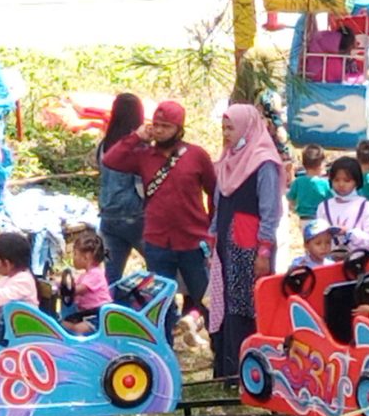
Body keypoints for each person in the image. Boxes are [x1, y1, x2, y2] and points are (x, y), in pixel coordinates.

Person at [101, 100, 217, 320]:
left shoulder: (197, 155)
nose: (160, 131)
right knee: (158, 303)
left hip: (192, 240)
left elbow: (214, 192)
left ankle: (219, 350)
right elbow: (110, 160)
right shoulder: (143, 156)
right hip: (157, 242)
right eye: (157, 125)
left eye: (167, 126)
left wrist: (211, 229)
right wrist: (136, 137)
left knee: (205, 299)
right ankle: (163, 348)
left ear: (179, 129)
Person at [209, 104, 284, 381]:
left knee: (248, 305)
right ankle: (228, 368)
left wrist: (264, 249)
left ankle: (253, 371)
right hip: (227, 243)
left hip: (250, 245)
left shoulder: (263, 162)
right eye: (224, 128)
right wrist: (212, 238)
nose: (226, 134)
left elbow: (270, 210)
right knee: (227, 302)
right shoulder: (228, 159)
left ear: (247, 128)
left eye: (231, 128)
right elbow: (218, 204)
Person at [94, 94, 148, 281]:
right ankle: (166, 309)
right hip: (135, 218)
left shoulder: (105, 144)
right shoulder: (137, 147)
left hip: (108, 217)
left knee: (111, 275)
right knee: (157, 269)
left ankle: (108, 308)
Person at [312, 156, 369, 255]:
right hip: (329, 261)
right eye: (336, 180)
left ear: (356, 181)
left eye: (347, 180)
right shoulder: (324, 207)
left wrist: (350, 232)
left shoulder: (365, 206)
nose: (341, 184)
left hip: (357, 262)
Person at [62, 232, 113, 329]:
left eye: (75, 254)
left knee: (77, 328)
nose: (73, 258)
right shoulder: (85, 275)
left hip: (98, 313)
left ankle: (84, 342)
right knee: (64, 323)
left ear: (86, 257)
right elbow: (73, 283)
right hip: (86, 312)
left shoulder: (95, 274)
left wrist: (64, 288)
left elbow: (78, 290)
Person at [289, 145, 331, 222]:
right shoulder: (325, 183)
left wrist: (293, 209)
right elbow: (331, 200)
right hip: (320, 218)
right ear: (320, 164)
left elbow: (291, 199)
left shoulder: (298, 181)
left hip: (303, 218)